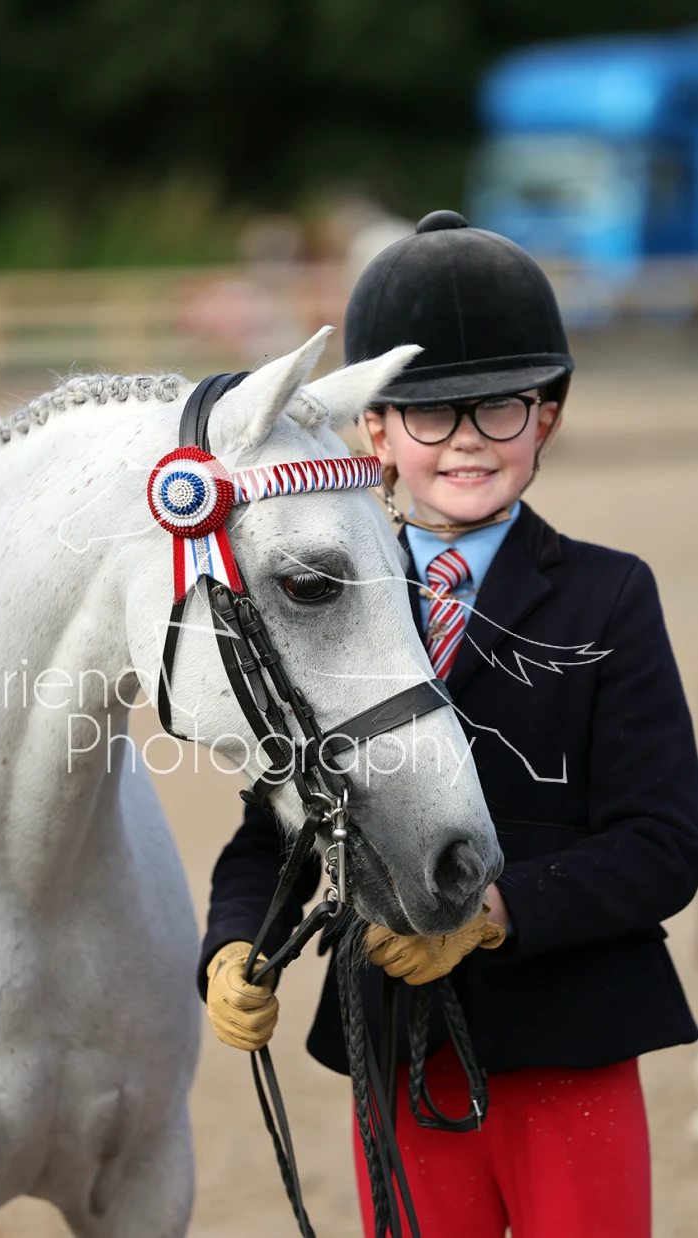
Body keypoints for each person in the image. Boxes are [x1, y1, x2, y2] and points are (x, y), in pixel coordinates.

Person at [198, 211, 698, 1238]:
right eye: (429, 413)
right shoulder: (326, 601)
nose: (466, 436)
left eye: (499, 407)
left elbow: (663, 842)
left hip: (572, 1044)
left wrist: (495, 911)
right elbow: (273, 827)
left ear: (545, 417)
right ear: (375, 431)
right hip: (400, 1044)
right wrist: (234, 942)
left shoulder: (609, 596)